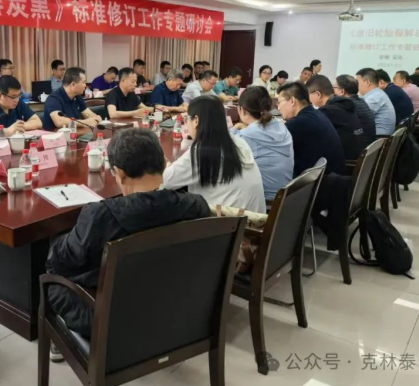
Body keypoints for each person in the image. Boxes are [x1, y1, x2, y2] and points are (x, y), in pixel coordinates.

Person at [46, 128, 212, 339]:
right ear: (163, 164)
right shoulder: (196, 206)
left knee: (53, 274)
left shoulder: (100, 216)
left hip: (112, 322)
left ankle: (62, 339)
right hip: (174, 312)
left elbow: (59, 263)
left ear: (120, 173)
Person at [163, 96, 265, 212]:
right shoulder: (238, 141)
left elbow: (164, 181)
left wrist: (165, 164)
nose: (186, 124)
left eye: (187, 119)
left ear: (196, 120)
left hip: (230, 221)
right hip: (256, 218)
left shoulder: (203, 151)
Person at [232, 87, 294, 201]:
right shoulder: (281, 127)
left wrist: (235, 128)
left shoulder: (246, 136)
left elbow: (224, 148)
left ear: (242, 110)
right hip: (283, 198)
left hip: (263, 200)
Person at [277, 82, 345, 176]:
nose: (278, 108)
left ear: (292, 101)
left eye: (279, 102)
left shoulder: (297, 123)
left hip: (321, 181)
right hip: (333, 176)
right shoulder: (316, 114)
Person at [307, 75, 364, 161]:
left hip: (345, 163)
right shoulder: (344, 104)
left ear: (318, 94)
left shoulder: (327, 111)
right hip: (356, 158)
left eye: (308, 94)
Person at [334, 75, 376, 148]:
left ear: (342, 91)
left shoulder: (346, 105)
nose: (332, 91)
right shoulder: (361, 101)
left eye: (334, 87)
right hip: (368, 147)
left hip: (359, 149)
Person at [356, 68, 396, 137]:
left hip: (378, 137)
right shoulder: (377, 93)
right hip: (381, 136)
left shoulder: (374, 97)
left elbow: (359, 118)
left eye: (357, 82)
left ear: (367, 82)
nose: (356, 85)